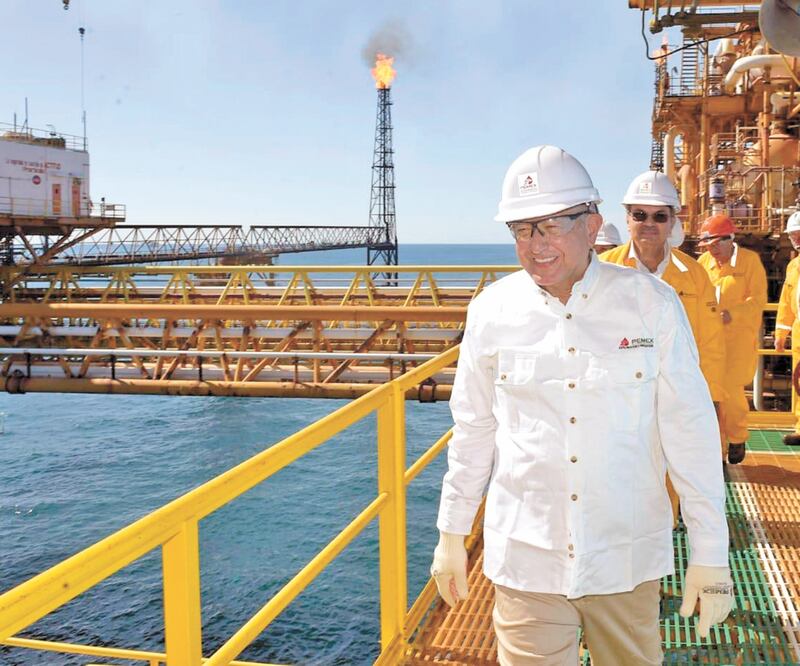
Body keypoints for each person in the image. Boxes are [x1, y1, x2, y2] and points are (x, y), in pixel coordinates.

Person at [431, 146, 732, 665]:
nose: (536, 245)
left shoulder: (651, 305)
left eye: (551, 226)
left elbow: (690, 431)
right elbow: (474, 430)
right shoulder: (491, 313)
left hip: (624, 561)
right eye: (522, 230)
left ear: (592, 226)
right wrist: (451, 534)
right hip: (526, 562)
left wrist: (711, 554)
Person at [599, 171, 726, 520]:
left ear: (672, 222)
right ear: (627, 218)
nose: (649, 224)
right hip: (615, 398)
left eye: (659, 216)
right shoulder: (601, 270)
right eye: (640, 215)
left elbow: (711, 344)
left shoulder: (694, 275)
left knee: (670, 481)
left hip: (675, 397)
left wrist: (713, 400)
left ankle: (664, 537)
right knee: (615, 481)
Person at [697, 214, 767, 463]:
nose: (712, 250)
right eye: (708, 245)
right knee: (710, 396)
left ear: (730, 239)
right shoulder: (703, 263)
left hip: (737, 342)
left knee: (730, 393)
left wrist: (733, 314)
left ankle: (737, 437)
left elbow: (758, 300)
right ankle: (717, 452)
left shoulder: (750, 262)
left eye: (716, 244)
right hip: (709, 341)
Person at [775, 211, 800, 446]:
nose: (796, 240)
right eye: (793, 235)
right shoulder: (793, 266)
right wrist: (781, 333)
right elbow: (786, 302)